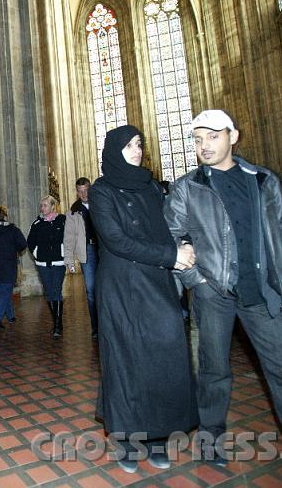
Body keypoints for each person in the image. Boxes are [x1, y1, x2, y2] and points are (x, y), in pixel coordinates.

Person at [163, 109, 282, 487]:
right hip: (213, 292)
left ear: (234, 135)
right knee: (214, 370)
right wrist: (198, 280)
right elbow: (173, 235)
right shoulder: (187, 187)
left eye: (212, 136)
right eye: (197, 139)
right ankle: (211, 436)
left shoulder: (263, 179)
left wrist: (281, 271)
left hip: (263, 292)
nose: (204, 146)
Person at [88, 124, 199, 473]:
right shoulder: (102, 190)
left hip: (156, 283)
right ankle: (129, 441)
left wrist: (183, 246)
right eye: (130, 145)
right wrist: (170, 255)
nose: (137, 150)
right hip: (121, 286)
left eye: (140, 144)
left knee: (164, 355)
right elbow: (115, 240)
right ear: (114, 149)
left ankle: (159, 436)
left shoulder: (152, 186)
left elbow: (166, 228)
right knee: (126, 361)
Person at [64, 177, 99, 339]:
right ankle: (96, 327)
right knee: (91, 290)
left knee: (108, 288)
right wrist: (69, 260)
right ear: (77, 192)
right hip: (88, 251)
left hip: (105, 250)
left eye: (86, 190)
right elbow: (69, 237)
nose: (84, 194)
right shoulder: (74, 210)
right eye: (80, 191)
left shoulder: (101, 202)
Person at [27, 195, 67, 338]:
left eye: (45, 205)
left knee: (56, 290)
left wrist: (65, 253)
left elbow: (70, 237)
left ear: (52, 206)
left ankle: (57, 325)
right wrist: (37, 253)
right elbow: (30, 242)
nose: (42, 208)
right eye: (41, 205)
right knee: (49, 292)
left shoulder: (63, 220)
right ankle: (57, 321)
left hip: (59, 263)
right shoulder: (37, 223)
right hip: (43, 264)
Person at [0, 205, 27, 330]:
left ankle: (11, 315)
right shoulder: (13, 230)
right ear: (5, 216)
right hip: (9, 266)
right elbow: (23, 244)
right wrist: (14, 248)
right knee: (5, 293)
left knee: (4, 291)